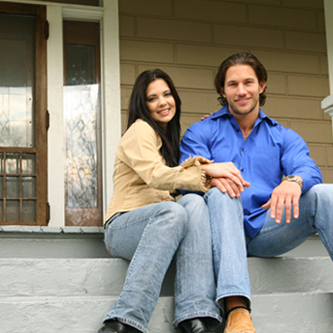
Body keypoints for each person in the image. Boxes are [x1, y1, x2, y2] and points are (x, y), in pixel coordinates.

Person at [179, 52, 333, 333]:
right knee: (224, 191)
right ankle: (237, 310)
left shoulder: (283, 135)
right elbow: (184, 175)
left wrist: (293, 181)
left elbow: (308, 168)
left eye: (248, 82)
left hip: (266, 230)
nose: (241, 91)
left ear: (261, 85)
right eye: (232, 84)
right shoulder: (201, 131)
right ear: (222, 90)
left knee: (326, 194)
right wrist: (211, 179)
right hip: (219, 230)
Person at [98, 69, 246, 333]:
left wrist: (212, 126)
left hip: (163, 226)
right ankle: (125, 319)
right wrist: (205, 170)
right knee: (173, 212)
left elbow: (179, 184)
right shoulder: (140, 130)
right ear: (142, 105)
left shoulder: (169, 141)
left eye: (167, 94)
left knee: (194, 204)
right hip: (123, 227)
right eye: (153, 98)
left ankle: (195, 312)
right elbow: (156, 175)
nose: (163, 102)